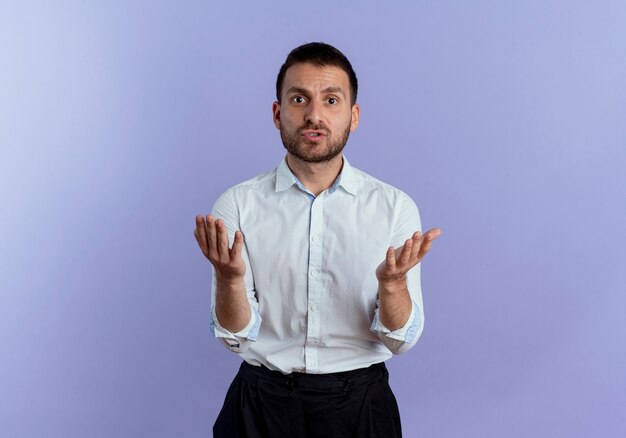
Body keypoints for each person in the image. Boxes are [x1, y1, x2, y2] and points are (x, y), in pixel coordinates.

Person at [194, 42, 441, 438]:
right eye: (299, 99)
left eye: (331, 100)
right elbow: (235, 339)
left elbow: (400, 342)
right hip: (259, 405)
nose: (314, 115)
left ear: (353, 116)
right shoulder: (237, 204)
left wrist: (393, 287)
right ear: (278, 114)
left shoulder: (394, 208)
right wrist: (228, 279)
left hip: (359, 407)